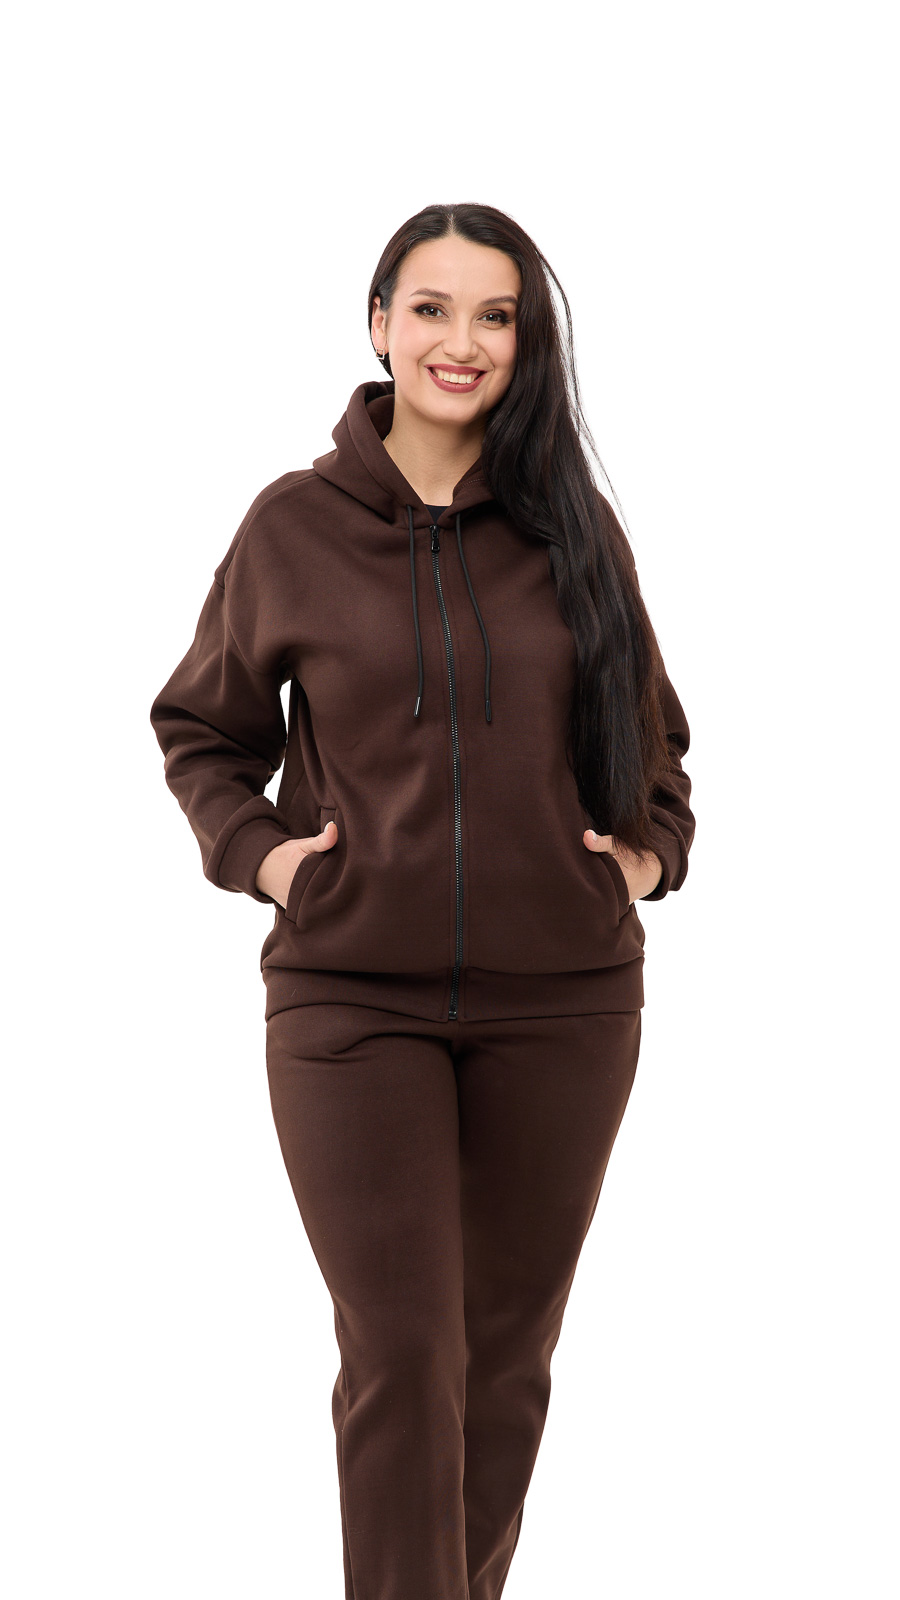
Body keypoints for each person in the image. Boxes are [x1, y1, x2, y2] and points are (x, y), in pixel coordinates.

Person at [149, 201, 696, 1600]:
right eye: (434, 308)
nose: (464, 341)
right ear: (379, 324)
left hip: (565, 1006)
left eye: (496, 315)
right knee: (404, 1354)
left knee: (505, 1364)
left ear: (526, 342)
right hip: (350, 1001)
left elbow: (659, 749)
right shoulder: (293, 527)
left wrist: (637, 862)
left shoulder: (572, 529)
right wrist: (271, 859)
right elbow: (201, 729)